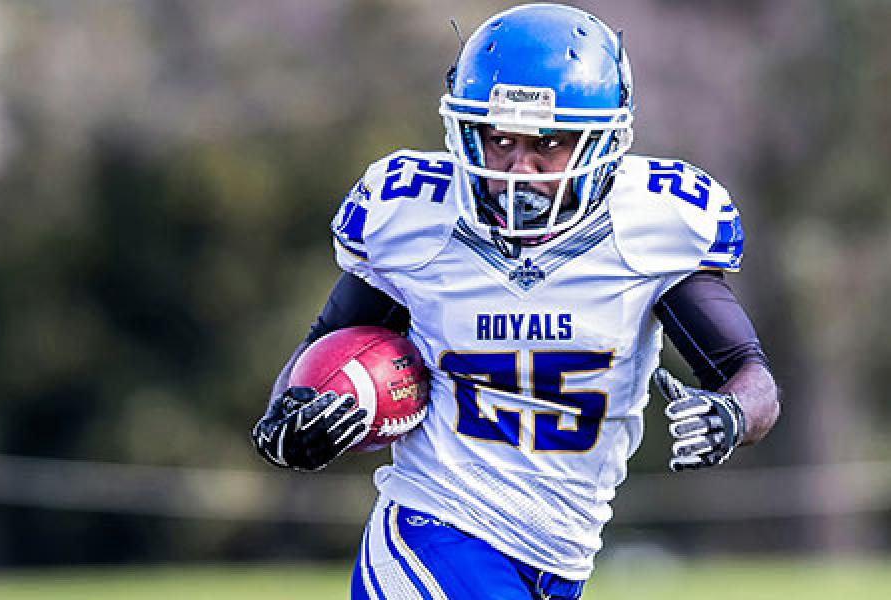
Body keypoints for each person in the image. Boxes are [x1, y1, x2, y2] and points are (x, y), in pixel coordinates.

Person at [251, 4, 780, 599]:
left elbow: (747, 373)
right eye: (499, 139)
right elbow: (320, 350)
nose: (516, 169)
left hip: (560, 554)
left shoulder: (654, 228)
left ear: (602, 144)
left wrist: (730, 416)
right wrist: (287, 421)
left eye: (546, 145)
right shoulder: (413, 220)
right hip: (432, 532)